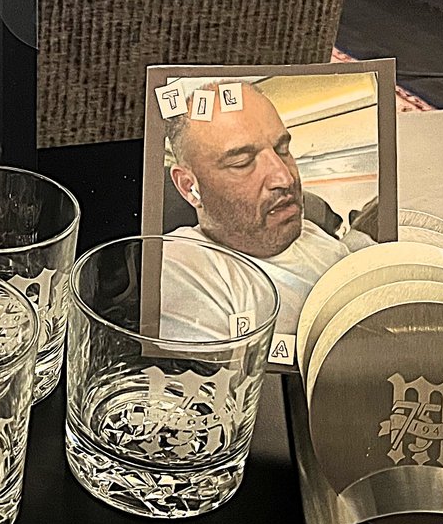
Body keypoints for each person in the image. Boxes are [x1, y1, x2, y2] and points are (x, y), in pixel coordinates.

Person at [160, 82, 374, 340]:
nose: (285, 178)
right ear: (189, 187)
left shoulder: (310, 230)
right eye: (242, 162)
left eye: (282, 150)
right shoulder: (181, 265)